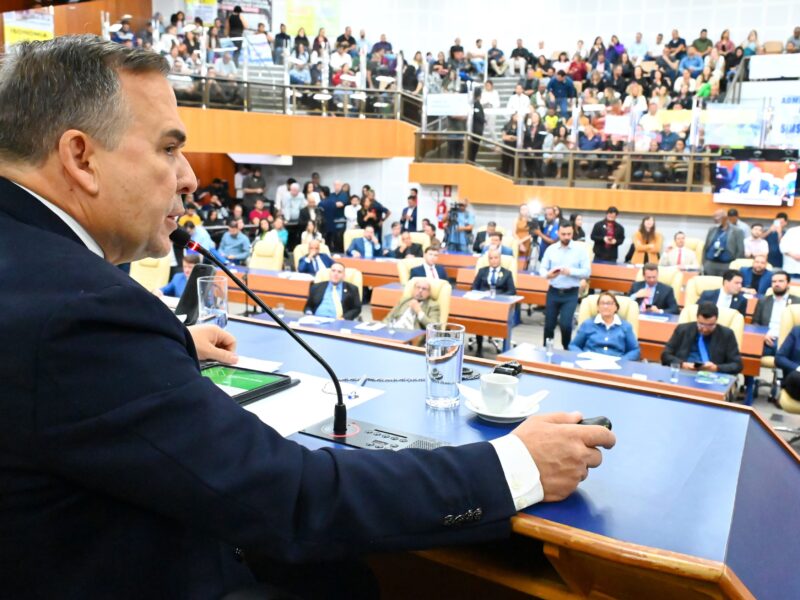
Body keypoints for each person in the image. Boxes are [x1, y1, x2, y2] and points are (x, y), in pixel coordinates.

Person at [0, 36, 616, 598]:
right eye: (169, 148)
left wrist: (162, 350)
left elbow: (55, 382)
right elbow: (291, 498)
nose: (188, 177)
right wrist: (516, 465)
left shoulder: (38, 278)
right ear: (80, 157)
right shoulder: (84, 316)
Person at [539, 220, 591, 347]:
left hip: (570, 292)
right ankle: (547, 350)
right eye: (563, 234)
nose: (566, 237)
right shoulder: (551, 249)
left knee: (566, 325)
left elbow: (587, 271)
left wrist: (571, 271)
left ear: (572, 233)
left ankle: (567, 348)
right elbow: (542, 268)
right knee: (549, 325)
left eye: (569, 234)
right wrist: (547, 275)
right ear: (558, 233)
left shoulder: (580, 250)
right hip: (554, 291)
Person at [661, 303, 743, 374]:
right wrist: (682, 365)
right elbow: (665, 355)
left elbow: (737, 365)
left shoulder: (726, 334)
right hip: (685, 373)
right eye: (701, 324)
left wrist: (716, 368)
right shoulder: (683, 330)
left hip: (711, 376)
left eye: (710, 325)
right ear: (697, 318)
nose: (705, 329)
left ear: (716, 320)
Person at [569, 292, 640, 360]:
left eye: (609, 303)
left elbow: (634, 350)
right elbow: (574, 346)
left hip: (616, 364)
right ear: (598, 307)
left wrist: (622, 361)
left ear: (616, 307)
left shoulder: (626, 326)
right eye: (602, 303)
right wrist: (583, 357)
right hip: (589, 362)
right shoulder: (588, 324)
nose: (605, 306)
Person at [472, 248, 516, 356]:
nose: (494, 260)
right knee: (479, 320)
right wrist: (483, 294)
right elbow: (474, 287)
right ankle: (479, 346)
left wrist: (497, 296)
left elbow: (512, 291)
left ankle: (504, 348)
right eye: (491, 258)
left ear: (500, 258)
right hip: (483, 304)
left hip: (499, 306)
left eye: (496, 258)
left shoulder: (507, 273)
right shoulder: (482, 271)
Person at [751, 271, 799, 357]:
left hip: (788, 341)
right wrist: (763, 335)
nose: (777, 284)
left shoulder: (797, 302)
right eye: (774, 281)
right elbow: (755, 323)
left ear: (788, 283)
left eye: (781, 281)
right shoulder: (763, 301)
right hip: (766, 338)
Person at [702, 209, 744, 276]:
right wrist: (704, 263)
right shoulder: (712, 229)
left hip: (727, 264)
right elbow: (706, 246)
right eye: (714, 217)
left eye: (717, 217)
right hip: (710, 263)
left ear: (725, 218)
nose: (715, 219)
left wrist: (735, 265)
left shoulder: (737, 231)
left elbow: (740, 250)